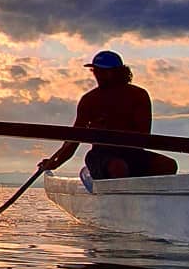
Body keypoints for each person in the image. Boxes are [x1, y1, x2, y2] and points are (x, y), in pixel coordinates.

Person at [37, 50, 179, 181]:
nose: (98, 76)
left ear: (118, 72)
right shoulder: (90, 100)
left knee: (168, 165)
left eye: (103, 72)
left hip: (133, 153)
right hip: (102, 154)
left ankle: (144, 197)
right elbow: (74, 138)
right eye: (96, 71)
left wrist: (114, 129)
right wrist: (55, 162)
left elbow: (144, 133)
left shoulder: (138, 95)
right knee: (118, 167)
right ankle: (119, 197)